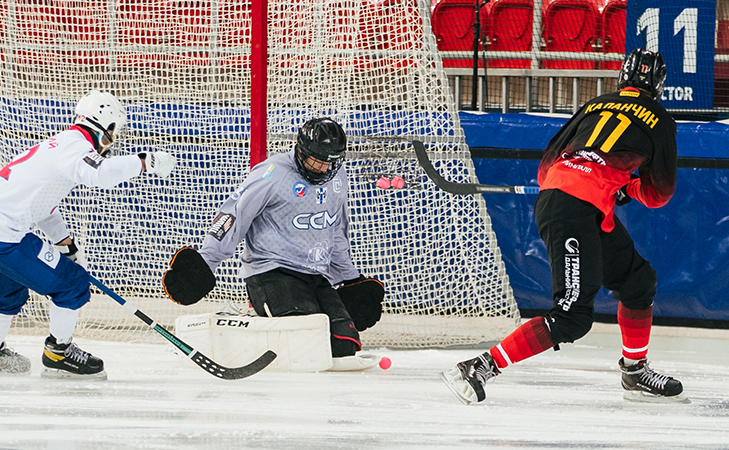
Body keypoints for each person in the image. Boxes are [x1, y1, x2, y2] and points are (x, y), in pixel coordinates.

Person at [441, 49, 685, 403]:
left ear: (623, 77)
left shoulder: (595, 104)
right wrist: (623, 187)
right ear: (659, 86)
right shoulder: (660, 119)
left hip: (565, 198)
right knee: (571, 317)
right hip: (576, 209)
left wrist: (587, 186)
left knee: (638, 280)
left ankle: (634, 372)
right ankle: (480, 366)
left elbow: (547, 165)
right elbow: (658, 194)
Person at [0, 90, 176, 380]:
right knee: (72, 284)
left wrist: (64, 242)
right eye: (113, 133)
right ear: (105, 127)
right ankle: (59, 353)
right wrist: (144, 161)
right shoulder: (74, 148)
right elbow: (100, 175)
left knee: (7, 294)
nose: (112, 142)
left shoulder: (60, 144)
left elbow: (43, 202)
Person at [161, 117, 384, 367]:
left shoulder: (337, 176)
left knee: (344, 345)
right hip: (271, 272)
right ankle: (245, 320)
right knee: (304, 338)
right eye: (317, 161)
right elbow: (234, 214)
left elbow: (335, 228)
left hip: (315, 275)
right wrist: (206, 261)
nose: (323, 169)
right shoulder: (273, 174)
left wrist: (349, 278)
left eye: (330, 163)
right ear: (301, 151)